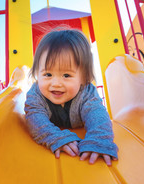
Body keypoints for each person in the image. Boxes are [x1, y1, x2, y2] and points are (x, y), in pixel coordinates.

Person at [24, 29, 118, 166]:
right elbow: (34, 118)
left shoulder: (86, 93)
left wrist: (99, 139)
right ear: (37, 74)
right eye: (47, 74)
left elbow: (98, 114)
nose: (55, 84)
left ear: (84, 78)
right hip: (53, 135)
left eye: (66, 75)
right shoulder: (36, 94)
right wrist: (54, 137)